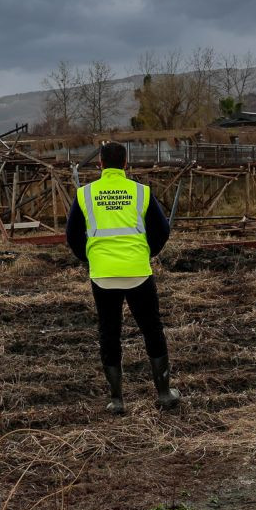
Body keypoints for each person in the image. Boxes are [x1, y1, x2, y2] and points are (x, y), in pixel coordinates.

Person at [66, 141, 179, 413]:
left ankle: (116, 400)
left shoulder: (85, 194)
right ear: (126, 164)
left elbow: (71, 236)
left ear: (100, 164)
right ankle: (164, 394)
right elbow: (162, 230)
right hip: (138, 271)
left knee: (109, 332)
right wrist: (145, 253)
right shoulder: (141, 192)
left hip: (103, 275)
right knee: (152, 329)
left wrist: (91, 258)